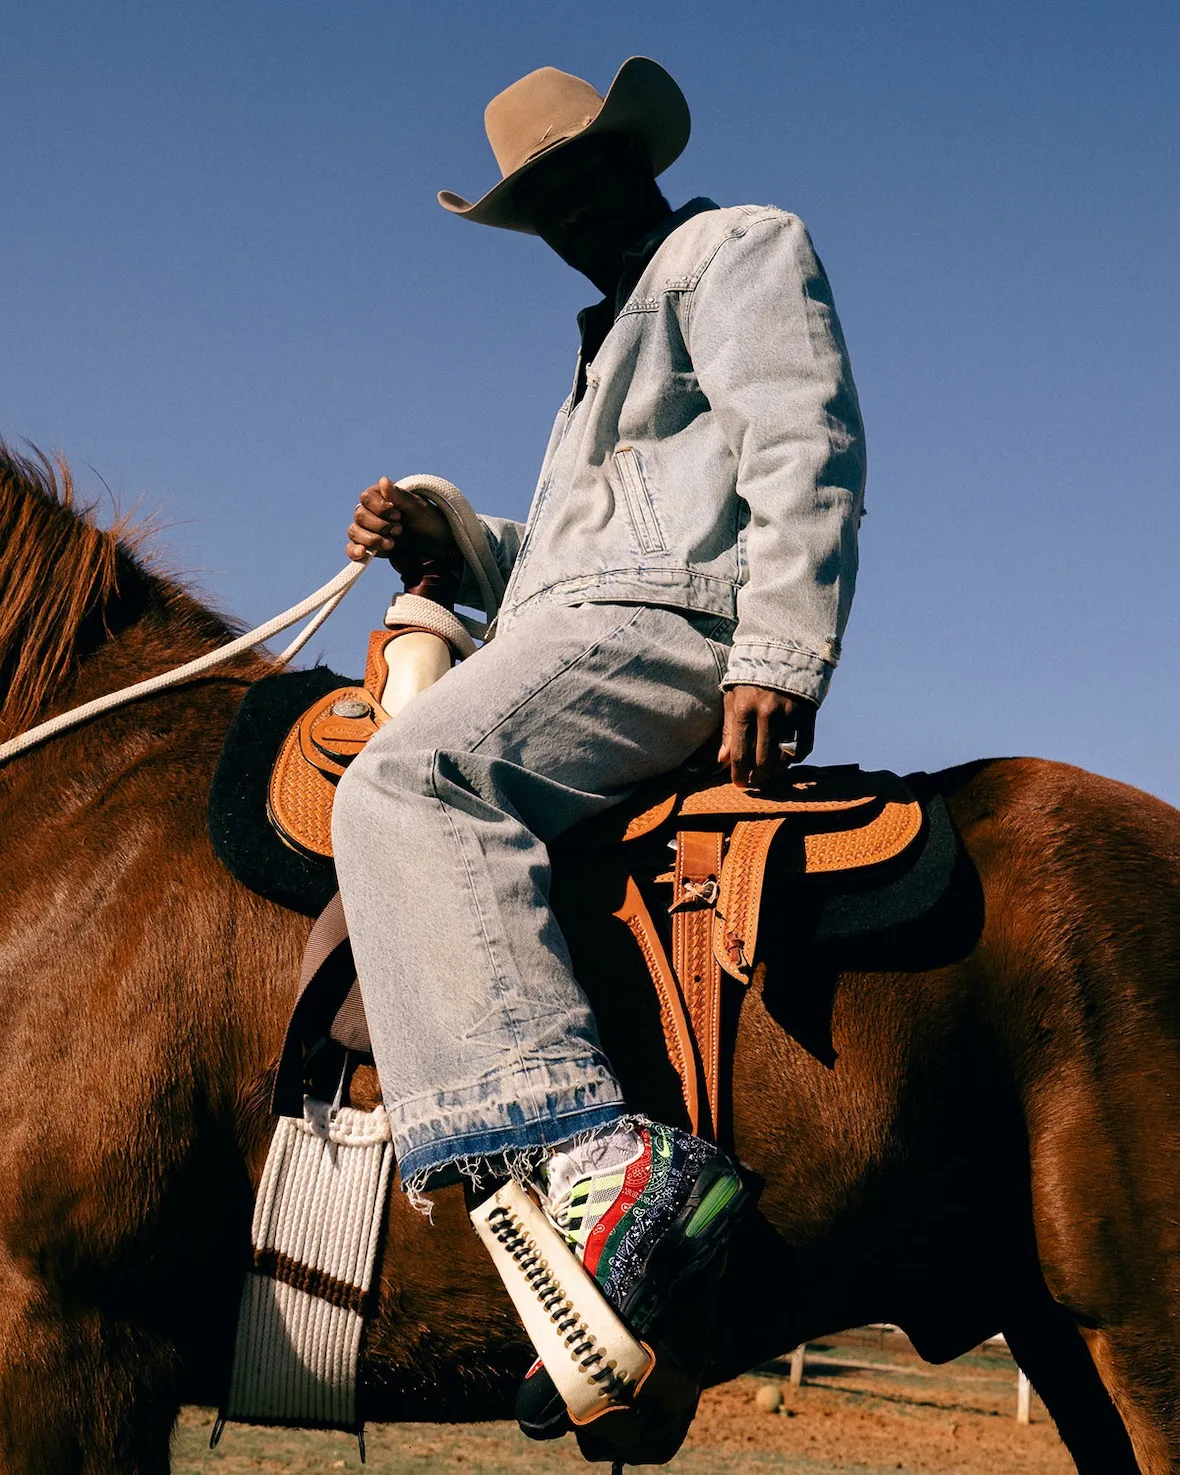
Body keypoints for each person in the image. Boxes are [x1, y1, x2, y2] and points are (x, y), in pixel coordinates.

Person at [333, 56, 865, 1434]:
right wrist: (444, 528)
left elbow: (803, 438)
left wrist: (779, 645)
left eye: (579, 176)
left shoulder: (731, 246)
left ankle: (599, 1147)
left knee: (411, 778)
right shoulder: (598, 351)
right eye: (541, 200)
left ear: (628, 160)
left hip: (673, 629)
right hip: (577, 624)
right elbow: (557, 564)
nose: (568, 211)